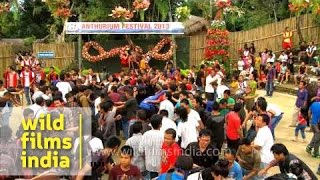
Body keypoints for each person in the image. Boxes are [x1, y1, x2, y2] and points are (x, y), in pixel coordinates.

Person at [139, 114, 163, 179]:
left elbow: (141, 150)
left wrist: (145, 157)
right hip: (161, 164)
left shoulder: (145, 134)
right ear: (160, 124)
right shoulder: (163, 135)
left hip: (149, 164)